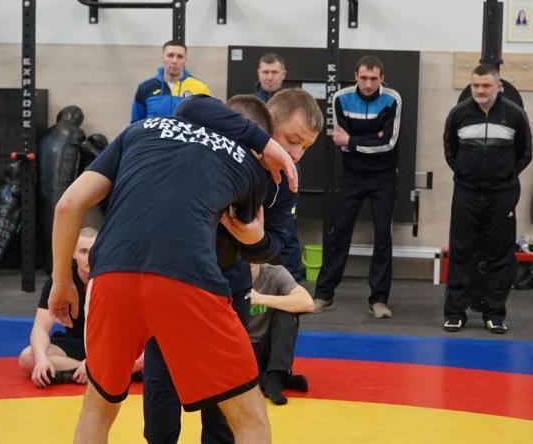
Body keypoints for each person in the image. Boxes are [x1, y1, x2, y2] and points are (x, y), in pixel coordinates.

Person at [49, 95, 298, 444]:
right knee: (249, 418)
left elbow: (68, 204)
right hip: (187, 278)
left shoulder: (140, 130)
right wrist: (257, 237)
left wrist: (62, 281)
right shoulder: (249, 163)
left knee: (97, 407)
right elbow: (249, 242)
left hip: (112, 274)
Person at [144, 89, 323, 444]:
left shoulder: (286, 180)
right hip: (174, 272)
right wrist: (261, 142)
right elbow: (191, 106)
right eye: (292, 140)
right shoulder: (220, 139)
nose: (296, 154)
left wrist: (256, 239)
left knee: (225, 383)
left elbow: (276, 242)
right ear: (267, 123)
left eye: (306, 147)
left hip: (228, 279)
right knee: (162, 376)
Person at [442, 64, 532, 334]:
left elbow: (525, 153)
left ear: (498, 87)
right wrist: (466, 174)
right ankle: (455, 313)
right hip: (466, 192)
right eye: (475, 85)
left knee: (500, 254)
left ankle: (494, 314)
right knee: (460, 251)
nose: (480, 90)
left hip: (501, 194)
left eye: (486, 86)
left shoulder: (515, 115)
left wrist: (504, 176)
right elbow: (450, 150)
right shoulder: (458, 114)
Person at [313, 55, 402, 319]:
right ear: (355, 76)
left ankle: (379, 300)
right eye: (363, 78)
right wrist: (370, 137)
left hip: (384, 176)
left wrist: (353, 141)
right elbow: (338, 140)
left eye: (374, 78)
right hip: (352, 175)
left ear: (382, 78)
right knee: (339, 232)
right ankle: (324, 295)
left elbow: (388, 143)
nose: (368, 84)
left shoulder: (393, 99)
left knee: (383, 236)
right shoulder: (340, 98)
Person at [18, 227, 143, 386]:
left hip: (111, 345)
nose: (89, 257)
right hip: (76, 343)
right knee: (28, 358)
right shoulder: (61, 280)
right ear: (73, 253)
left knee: (148, 359)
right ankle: (93, 372)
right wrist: (41, 359)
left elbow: (128, 332)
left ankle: (84, 372)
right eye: (83, 252)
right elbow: (41, 327)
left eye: (94, 251)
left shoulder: (114, 278)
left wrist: (94, 360)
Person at [254, 52, 303, 282]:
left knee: (287, 231)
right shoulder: (252, 105)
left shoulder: (295, 106)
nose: (269, 77)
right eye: (265, 72)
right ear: (258, 74)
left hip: (287, 177)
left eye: (274, 72)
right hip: (257, 178)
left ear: (283, 75)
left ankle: (292, 283)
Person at [249, 263, 314, 405]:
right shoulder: (226, 276)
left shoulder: (274, 272)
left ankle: (275, 378)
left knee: (287, 313)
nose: (249, 263)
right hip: (240, 351)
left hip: (267, 348)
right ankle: (276, 379)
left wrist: (259, 298)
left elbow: (307, 303)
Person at [130, 40, 211, 123]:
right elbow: (135, 124)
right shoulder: (145, 87)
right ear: (162, 58)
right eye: (170, 55)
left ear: (185, 60)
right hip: (153, 132)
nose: (174, 61)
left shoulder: (200, 89)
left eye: (180, 56)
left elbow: (207, 122)